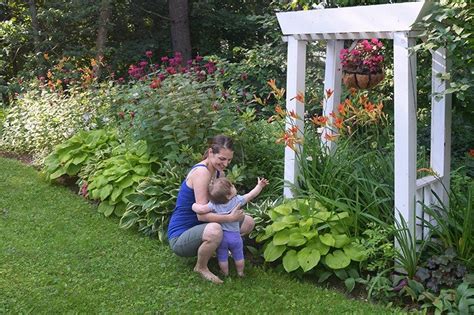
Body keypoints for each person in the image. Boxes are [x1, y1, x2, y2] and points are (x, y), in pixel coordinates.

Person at [167, 135, 255, 284]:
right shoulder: (202, 173)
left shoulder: (219, 173)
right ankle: (201, 267)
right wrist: (230, 218)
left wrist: (236, 213)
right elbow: (202, 216)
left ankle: (218, 249)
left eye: (229, 160)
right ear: (210, 152)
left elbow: (224, 205)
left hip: (202, 228)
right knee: (215, 230)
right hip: (181, 235)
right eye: (222, 159)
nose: (226, 163)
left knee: (248, 222)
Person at [192, 177, 269, 277]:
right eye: (232, 186)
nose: (234, 186)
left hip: (222, 238)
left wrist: (193, 205)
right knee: (239, 255)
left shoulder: (213, 204)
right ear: (228, 195)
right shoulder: (237, 200)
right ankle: (240, 272)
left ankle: (225, 272)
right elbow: (251, 195)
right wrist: (260, 186)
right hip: (235, 237)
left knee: (222, 256)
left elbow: (201, 209)